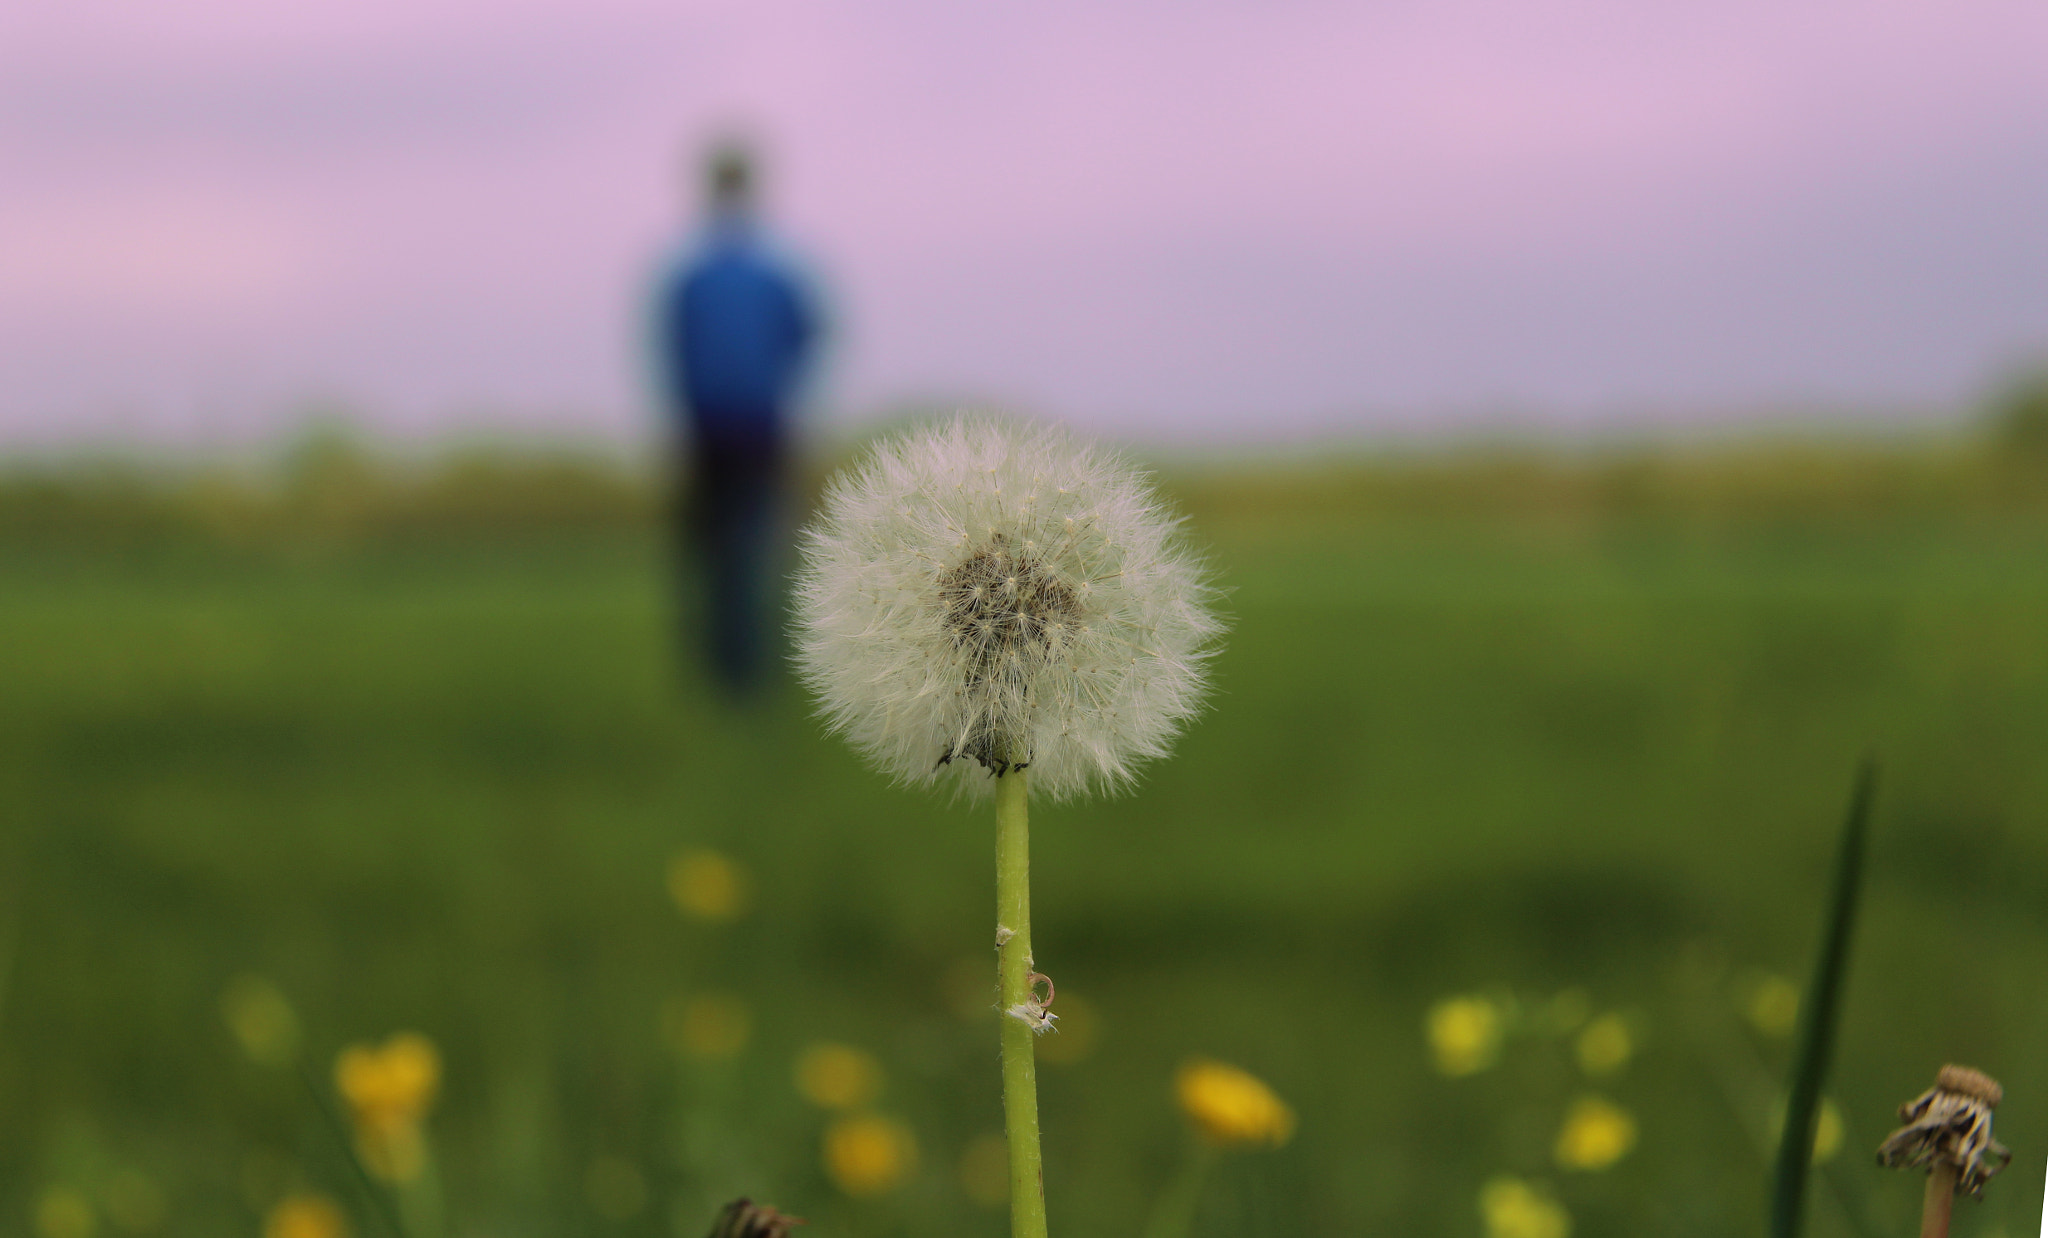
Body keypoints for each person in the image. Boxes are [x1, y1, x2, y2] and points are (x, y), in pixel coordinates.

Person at [652, 141, 821, 697]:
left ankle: (720, 674)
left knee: (712, 551)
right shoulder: (774, 275)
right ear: (750, 191)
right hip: (760, 426)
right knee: (757, 546)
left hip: (705, 428)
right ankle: (752, 673)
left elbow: (671, 351)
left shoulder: (690, 277)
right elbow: (804, 337)